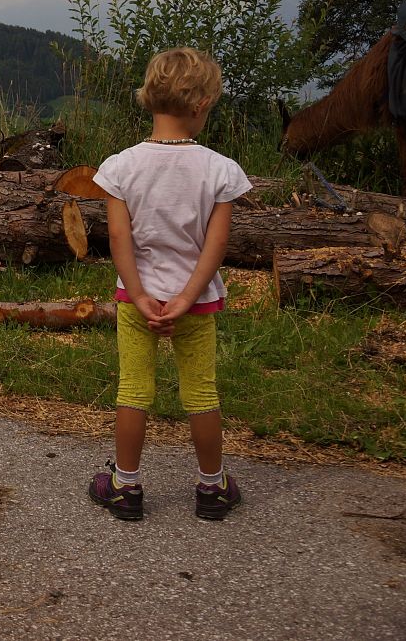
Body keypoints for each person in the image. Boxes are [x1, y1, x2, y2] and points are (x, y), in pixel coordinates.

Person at [87, 47, 252, 521]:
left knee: (133, 390)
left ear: (148, 97)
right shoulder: (220, 170)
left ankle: (124, 486)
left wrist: (140, 295)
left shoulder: (121, 167)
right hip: (196, 306)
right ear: (201, 105)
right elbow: (214, 247)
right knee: (201, 393)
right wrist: (185, 297)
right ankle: (212, 488)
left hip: (136, 302)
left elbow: (119, 239)